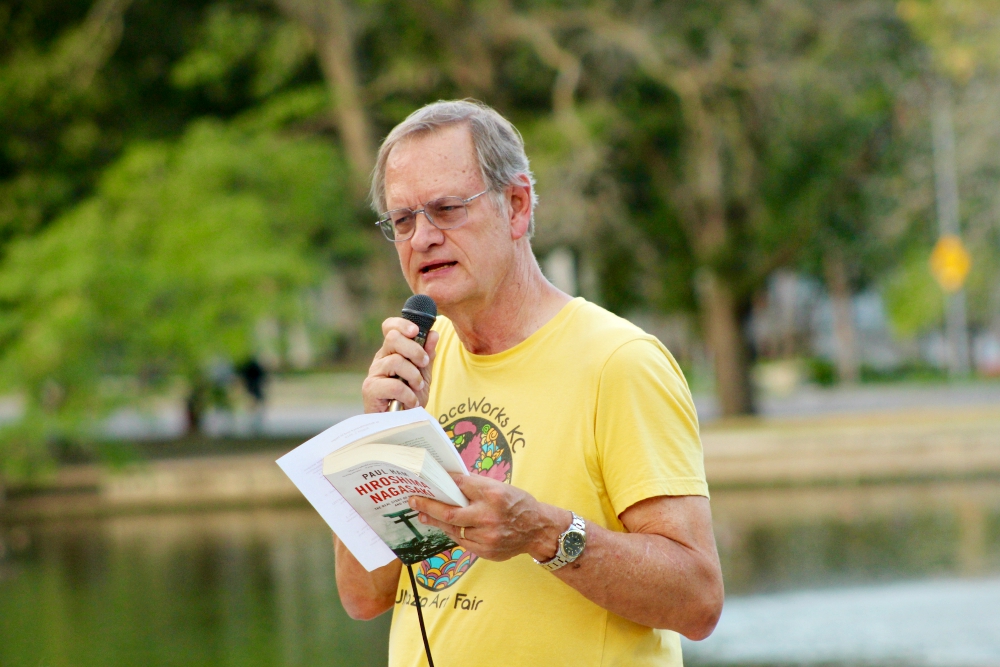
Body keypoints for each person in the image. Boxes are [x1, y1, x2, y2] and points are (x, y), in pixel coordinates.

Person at [336, 99, 724, 667]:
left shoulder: (619, 361)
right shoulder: (415, 364)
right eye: (403, 220)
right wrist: (376, 436)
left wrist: (544, 533)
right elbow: (362, 597)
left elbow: (697, 601)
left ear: (516, 206)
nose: (421, 238)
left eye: (446, 209)